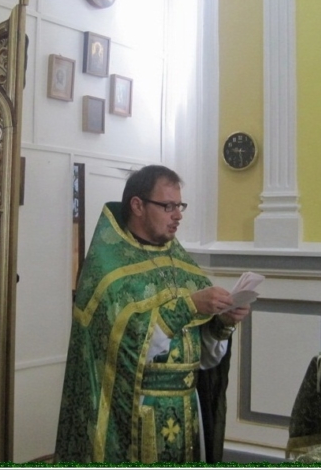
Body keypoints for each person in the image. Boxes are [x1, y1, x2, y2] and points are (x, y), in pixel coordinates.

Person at [54, 165, 250, 464]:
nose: (178, 215)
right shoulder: (108, 270)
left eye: (180, 206)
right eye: (168, 206)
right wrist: (187, 307)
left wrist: (221, 324)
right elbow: (120, 348)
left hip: (187, 408)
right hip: (134, 415)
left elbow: (203, 356)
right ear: (138, 206)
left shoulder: (182, 265)